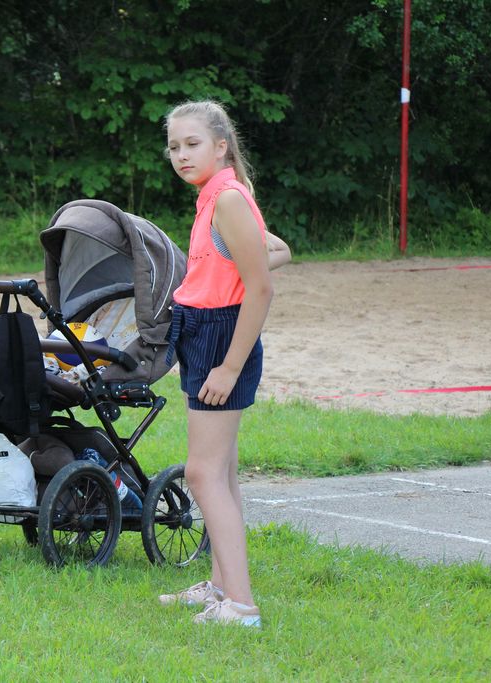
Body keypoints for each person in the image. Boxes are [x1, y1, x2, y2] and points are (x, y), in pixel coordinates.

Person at [157, 101, 290, 627]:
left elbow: (261, 287)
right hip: (203, 332)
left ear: (221, 146)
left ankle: (241, 605)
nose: (181, 155)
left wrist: (230, 367)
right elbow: (275, 250)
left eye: (192, 144)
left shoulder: (229, 199)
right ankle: (219, 588)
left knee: (202, 473)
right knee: (222, 471)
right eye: (173, 146)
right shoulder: (216, 196)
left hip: (220, 339)